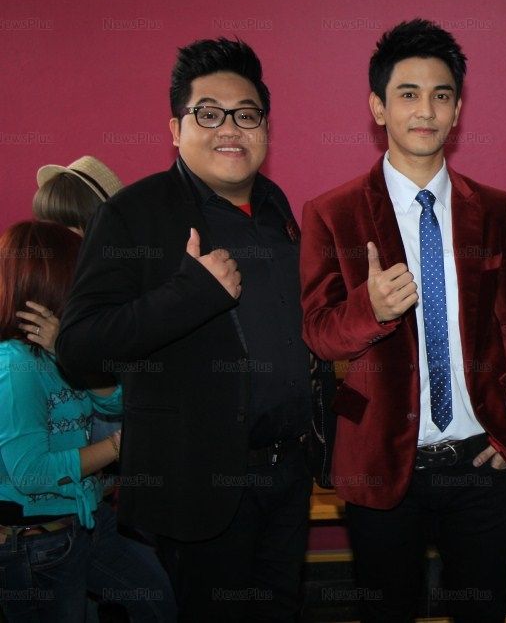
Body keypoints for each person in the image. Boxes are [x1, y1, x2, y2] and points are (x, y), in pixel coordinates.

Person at [56, 38, 313, 621]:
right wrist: (188, 296)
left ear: (265, 128)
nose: (231, 129)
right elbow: (78, 348)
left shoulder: (275, 206)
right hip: (200, 483)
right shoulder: (132, 214)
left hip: (287, 475)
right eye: (209, 114)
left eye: (247, 115)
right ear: (176, 129)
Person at [299, 19, 506, 622]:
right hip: (380, 460)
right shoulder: (331, 213)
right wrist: (371, 309)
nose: (425, 110)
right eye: (407, 94)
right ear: (378, 107)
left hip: (479, 458)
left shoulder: (494, 210)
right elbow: (319, 333)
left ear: (457, 110)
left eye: (441, 95)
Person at [0, 220, 176, 622]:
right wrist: (118, 446)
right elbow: (32, 473)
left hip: (85, 520)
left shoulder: (53, 350)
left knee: (157, 600)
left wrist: (69, 352)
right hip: (39, 543)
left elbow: (114, 404)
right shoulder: (14, 367)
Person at [31, 155, 126, 444]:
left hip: (102, 444)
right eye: (46, 228)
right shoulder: (38, 281)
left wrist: (64, 348)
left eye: (65, 231)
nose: (51, 241)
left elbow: (121, 403)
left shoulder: (120, 299)